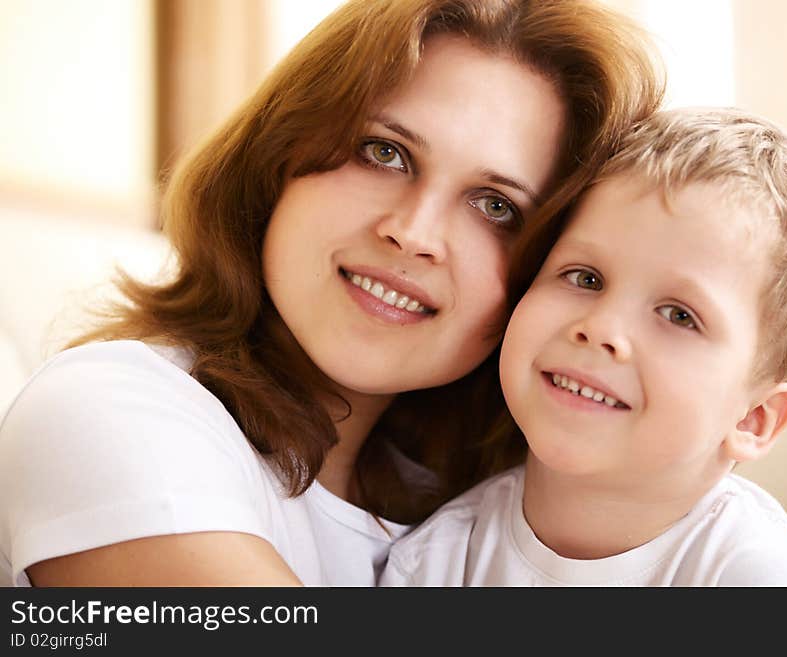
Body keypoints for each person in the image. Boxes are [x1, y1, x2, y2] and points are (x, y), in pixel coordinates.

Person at [0, 0, 664, 586]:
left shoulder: (485, 520)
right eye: (384, 153)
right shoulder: (110, 407)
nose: (413, 233)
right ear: (279, 154)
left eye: (494, 205)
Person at [380, 107, 787, 586]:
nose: (601, 327)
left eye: (679, 316)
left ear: (753, 419)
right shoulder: (435, 562)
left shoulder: (758, 579)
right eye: (585, 278)